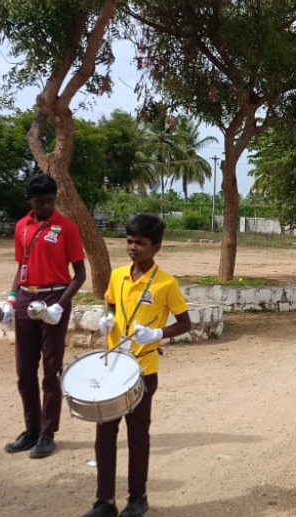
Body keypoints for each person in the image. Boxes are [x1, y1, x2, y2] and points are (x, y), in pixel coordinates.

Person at [83, 214, 192, 517]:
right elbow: (111, 303)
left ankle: (137, 497)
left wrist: (157, 333)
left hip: (143, 370)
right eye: (129, 241)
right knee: (105, 434)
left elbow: (185, 323)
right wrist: (107, 318)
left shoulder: (166, 283)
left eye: (140, 243)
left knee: (138, 437)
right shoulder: (118, 275)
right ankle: (104, 501)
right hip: (112, 368)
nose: (132, 247)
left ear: (156, 246)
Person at [2, 174, 86, 459]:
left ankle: (48, 433)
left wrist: (60, 306)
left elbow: (80, 274)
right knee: (24, 370)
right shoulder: (21, 227)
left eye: (50, 201)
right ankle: (31, 429)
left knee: (51, 369)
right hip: (27, 297)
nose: (46, 206)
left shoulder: (67, 228)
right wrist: (12, 299)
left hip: (54, 298)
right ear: (30, 201)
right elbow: (21, 266)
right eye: (40, 202)